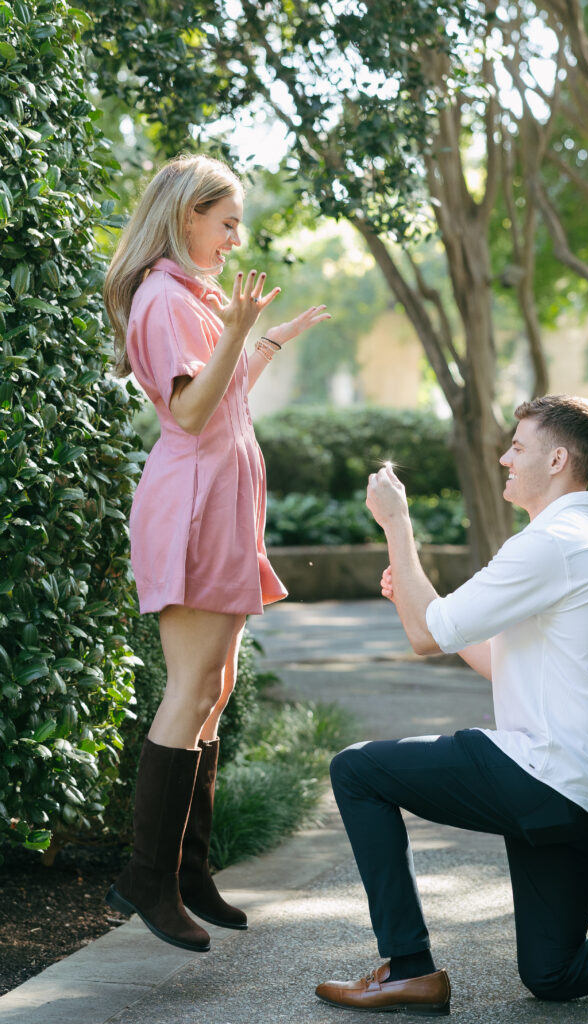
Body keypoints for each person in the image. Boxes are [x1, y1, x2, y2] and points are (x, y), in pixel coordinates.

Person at [315, 395, 588, 1015]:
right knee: (553, 973)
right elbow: (485, 653)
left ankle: (410, 970)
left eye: (518, 445)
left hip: (548, 775)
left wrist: (397, 528)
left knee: (357, 770)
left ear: (559, 458)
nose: (505, 457)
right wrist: (414, 591)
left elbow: (426, 635)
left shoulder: (551, 545)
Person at [102, 154, 330, 953]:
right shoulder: (164, 299)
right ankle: (147, 879)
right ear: (185, 215)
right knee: (191, 684)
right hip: (194, 505)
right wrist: (236, 330)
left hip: (222, 505)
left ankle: (188, 872)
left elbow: (223, 389)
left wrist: (260, 340)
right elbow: (192, 412)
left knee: (216, 688)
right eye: (226, 221)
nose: (236, 238)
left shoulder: (192, 296)